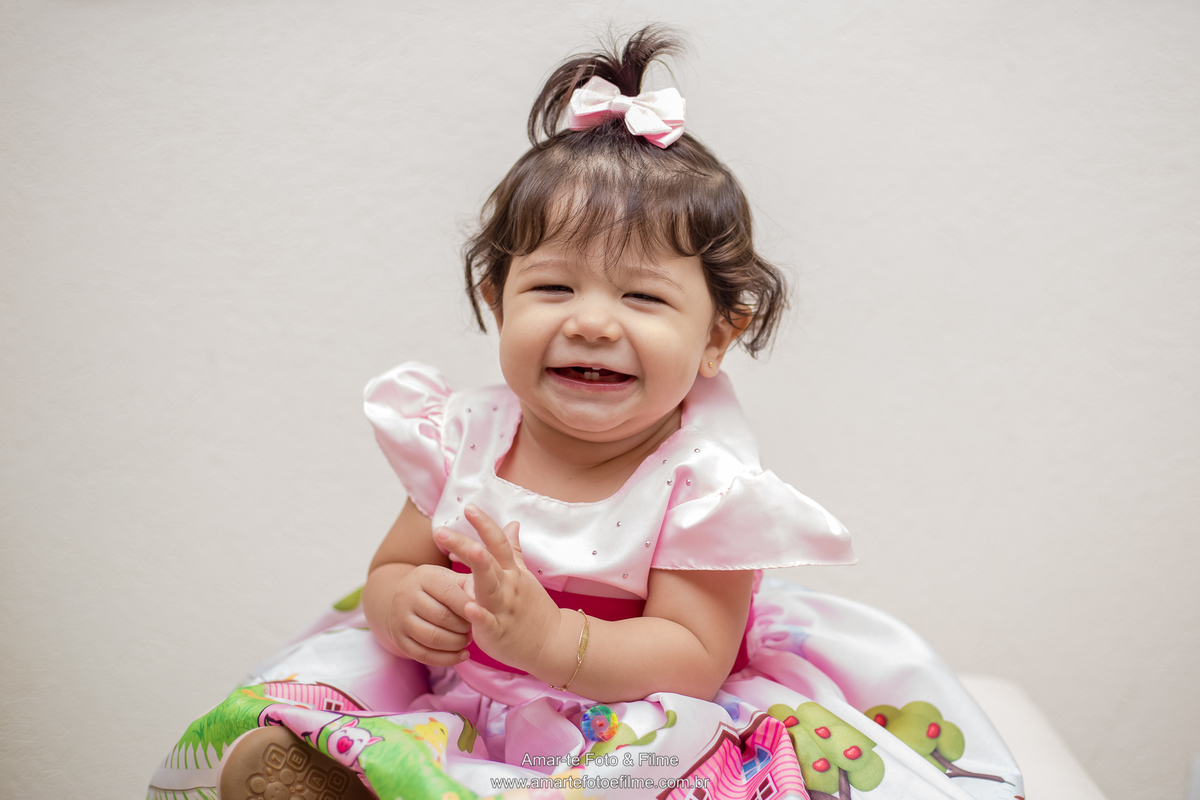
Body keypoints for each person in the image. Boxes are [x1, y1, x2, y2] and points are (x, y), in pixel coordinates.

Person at [149, 26, 1023, 800]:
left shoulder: (705, 486)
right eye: (553, 286)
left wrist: (552, 639)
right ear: (497, 298)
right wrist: (405, 603)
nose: (592, 321)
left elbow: (691, 654)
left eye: (642, 296)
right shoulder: (466, 438)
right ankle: (341, 778)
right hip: (464, 700)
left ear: (720, 333)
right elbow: (391, 567)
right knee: (309, 720)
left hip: (636, 724)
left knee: (680, 779)